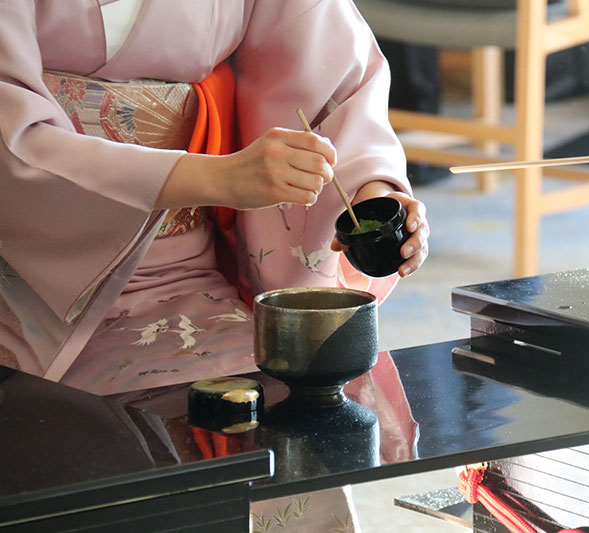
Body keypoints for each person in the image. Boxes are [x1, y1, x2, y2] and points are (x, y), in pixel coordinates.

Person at [0, 1, 429, 530]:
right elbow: (10, 139)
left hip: (189, 275)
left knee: (287, 418)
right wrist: (218, 178)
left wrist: (369, 193)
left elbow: (334, 84)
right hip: (29, 278)